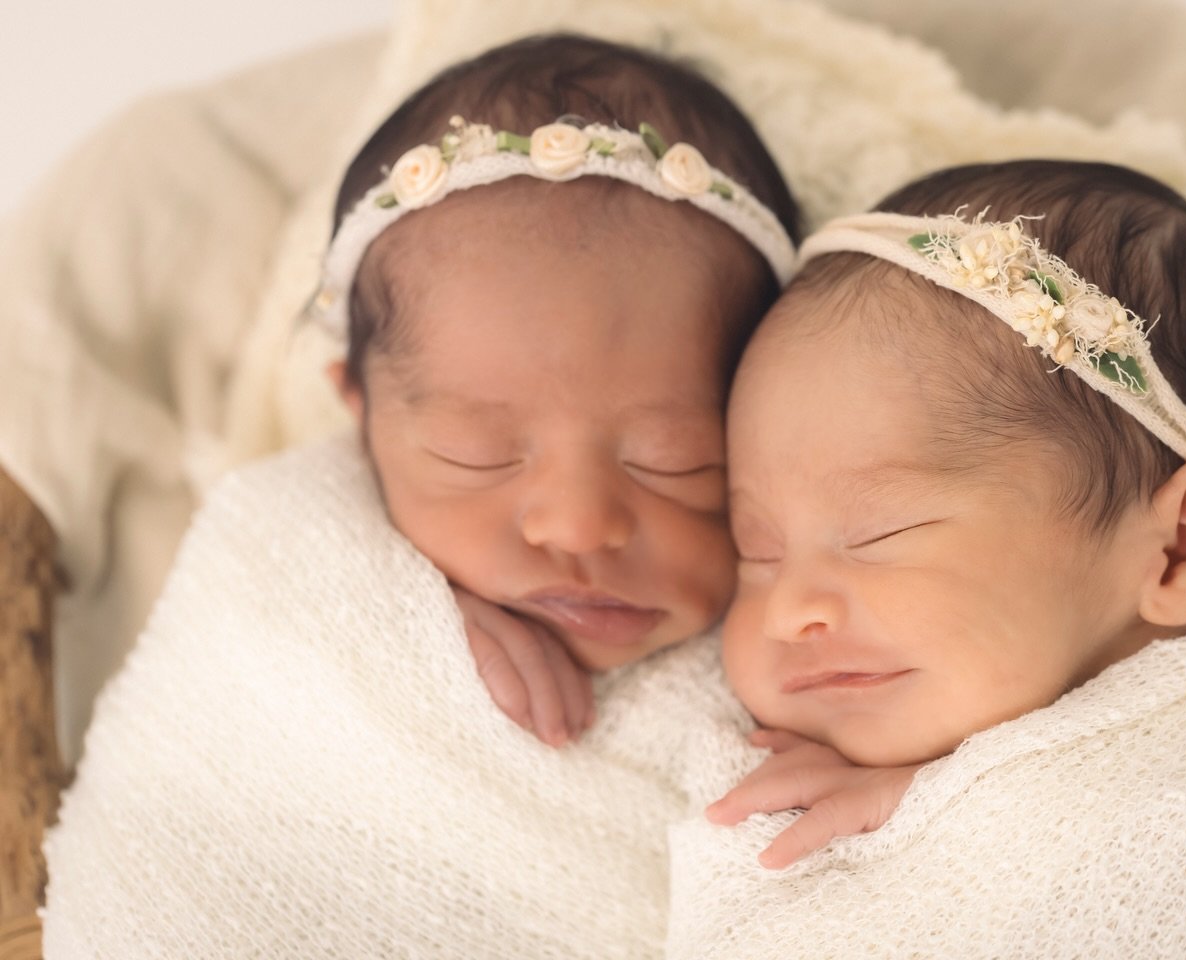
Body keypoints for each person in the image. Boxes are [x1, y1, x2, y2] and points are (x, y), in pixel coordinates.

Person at [41, 33, 800, 958]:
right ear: (359, 413)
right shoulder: (293, 548)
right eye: (476, 454)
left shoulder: (808, 621)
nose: (577, 524)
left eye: (676, 462)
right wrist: (394, 621)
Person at [673, 160, 1186, 958]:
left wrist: (939, 807)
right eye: (756, 551)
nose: (786, 611)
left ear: (1182, 548)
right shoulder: (741, 736)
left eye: (880, 533)